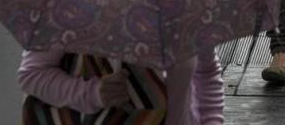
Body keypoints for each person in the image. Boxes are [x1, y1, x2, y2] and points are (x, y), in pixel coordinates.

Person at [18, 48, 224, 124]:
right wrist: (93, 93)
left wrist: (211, 121)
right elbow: (32, 74)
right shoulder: (70, 4)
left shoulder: (188, 3)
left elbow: (206, 73)